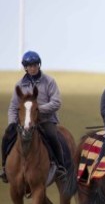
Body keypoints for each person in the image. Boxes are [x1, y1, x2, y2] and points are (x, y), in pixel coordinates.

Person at [1, 50, 66, 183]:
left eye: (35, 65)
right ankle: (4, 167)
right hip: (23, 122)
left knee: (53, 136)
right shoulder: (19, 85)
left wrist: (37, 110)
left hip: (46, 120)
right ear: (25, 67)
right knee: (7, 136)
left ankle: (60, 166)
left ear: (39, 65)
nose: (33, 68)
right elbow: (13, 107)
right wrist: (13, 123)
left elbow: (56, 102)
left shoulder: (49, 81)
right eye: (30, 66)